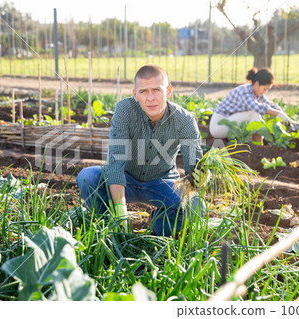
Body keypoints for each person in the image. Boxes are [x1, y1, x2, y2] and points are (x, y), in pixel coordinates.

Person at [77, 64, 209, 237]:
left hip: (162, 183)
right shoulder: (125, 110)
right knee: (88, 177)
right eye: (144, 91)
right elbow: (115, 163)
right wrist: (120, 211)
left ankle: (160, 228)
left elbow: (194, 171)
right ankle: (110, 228)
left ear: (168, 91)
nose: (150, 97)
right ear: (135, 95)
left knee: (196, 205)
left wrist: (203, 176)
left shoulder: (184, 120)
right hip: (127, 179)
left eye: (156, 90)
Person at [209, 67, 295, 142]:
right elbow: (257, 107)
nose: (265, 92)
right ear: (257, 84)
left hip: (230, 125)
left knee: (257, 119)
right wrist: (279, 114)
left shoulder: (256, 93)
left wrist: (287, 117)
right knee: (253, 113)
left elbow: (270, 105)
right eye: (264, 89)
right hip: (218, 127)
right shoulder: (244, 91)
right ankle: (258, 145)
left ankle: (255, 144)